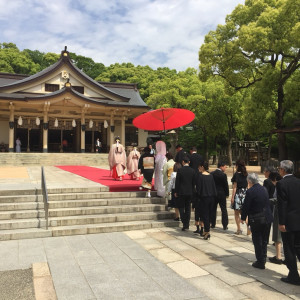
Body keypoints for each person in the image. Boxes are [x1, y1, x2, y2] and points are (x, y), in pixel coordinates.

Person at [241, 173, 273, 269]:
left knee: (257, 240)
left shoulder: (250, 191)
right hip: (267, 217)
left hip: (257, 218)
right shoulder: (264, 189)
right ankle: (263, 257)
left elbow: (246, 206)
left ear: (249, 181)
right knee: (264, 240)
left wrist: (243, 217)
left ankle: (260, 261)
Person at [277, 160, 300, 285]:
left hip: (289, 223)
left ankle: (293, 275)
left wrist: (281, 222)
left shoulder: (282, 184)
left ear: (283, 170)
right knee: (298, 247)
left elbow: (282, 205)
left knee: (289, 249)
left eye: (279, 168)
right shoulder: (298, 181)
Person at [195, 161, 217, 240]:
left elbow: (198, 189)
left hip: (204, 198)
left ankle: (207, 231)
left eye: (199, 167)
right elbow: (214, 187)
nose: (198, 168)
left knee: (205, 215)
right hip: (212, 197)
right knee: (209, 214)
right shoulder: (211, 176)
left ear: (202, 167)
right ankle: (206, 231)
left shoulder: (200, 176)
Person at [175, 156, 196, 231]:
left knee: (181, 207)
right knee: (188, 208)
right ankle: (187, 224)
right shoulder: (193, 171)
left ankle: (184, 221)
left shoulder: (180, 170)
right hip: (190, 192)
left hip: (181, 191)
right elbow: (194, 183)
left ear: (183, 162)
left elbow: (177, 182)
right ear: (189, 162)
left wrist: (176, 191)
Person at [268, 171, 284, 265]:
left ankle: (278, 257)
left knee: (277, 236)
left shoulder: (279, 186)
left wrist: (268, 200)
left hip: (279, 213)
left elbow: (278, 199)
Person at [231, 159, 248, 235]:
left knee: (237, 213)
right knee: (244, 212)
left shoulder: (236, 175)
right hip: (245, 194)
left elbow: (235, 187)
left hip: (238, 194)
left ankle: (239, 229)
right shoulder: (246, 174)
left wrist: (232, 197)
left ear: (237, 166)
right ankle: (249, 228)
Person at [211, 162, 229, 230]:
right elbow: (225, 185)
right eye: (225, 166)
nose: (225, 168)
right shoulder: (223, 175)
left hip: (214, 193)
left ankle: (212, 223)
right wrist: (227, 194)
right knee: (223, 209)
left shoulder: (212, 173)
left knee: (213, 209)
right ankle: (225, 225)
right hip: (222, 194)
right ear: (221, 166)